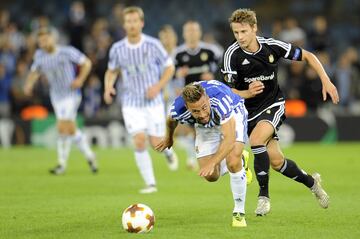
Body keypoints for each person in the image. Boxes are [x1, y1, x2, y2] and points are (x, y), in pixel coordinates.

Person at [221, 9, 339, 216]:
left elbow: (308, 56)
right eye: (236, 33)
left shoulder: (271, 46)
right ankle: (313, 183)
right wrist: (246, 92)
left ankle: (263, 197)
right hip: (247, 111)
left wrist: (326, 80)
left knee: (257, 140)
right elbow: (228, 92)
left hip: (272, 104)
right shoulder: (231, 55)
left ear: (254, 28)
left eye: (244, 31)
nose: (240, 37)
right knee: (276, 162)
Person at [103, 6, 178, 194]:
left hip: (153, 102)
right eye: (128, 21)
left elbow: (170, 68)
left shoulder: (153, 45)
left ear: (141, 23)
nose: (132, 25)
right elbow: (111, 71)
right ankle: (150, 184)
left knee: (156, 143)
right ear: (124, 24)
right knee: (138, 140)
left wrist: (158, 87)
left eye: (135, 21)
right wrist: (108, 86)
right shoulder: (117, 49)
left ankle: (168, 153)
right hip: (131, 102)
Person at [156, 80, 248, 227]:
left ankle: (239, 212)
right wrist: (169, 138)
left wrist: (213, 162)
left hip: (233, 114)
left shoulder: (221, 99)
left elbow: (229, 139)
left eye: (204, 107)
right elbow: (170, 121)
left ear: (206, 97)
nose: (203, 113)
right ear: (187, 107)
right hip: (205, 127)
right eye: (196, 111)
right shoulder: (178, 109)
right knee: (211, 176)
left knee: (232, 161)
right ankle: (241, 162)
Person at [24, 27, 97, 174]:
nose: (43, 43)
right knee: (70, 129)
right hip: (56, 96)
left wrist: (80, 79)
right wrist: (28, 85)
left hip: (71, 95)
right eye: (40, 41)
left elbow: (87, 63)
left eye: (45, 39)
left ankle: (61, 164)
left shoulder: (66, 51)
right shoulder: (39, 55)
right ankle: (90, 156)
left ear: (53, 38)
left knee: (62, 126)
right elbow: (34, 71)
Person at [171, 20, 223, 170]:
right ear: (184, 34)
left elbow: (225, 68)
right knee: (191, 130)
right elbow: (169, 73)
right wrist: (177, 75)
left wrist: (212, 74)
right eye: (189, 31)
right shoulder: (178, 54)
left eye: (194, 31)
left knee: (213, 129)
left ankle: (207, 156)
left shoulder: (212, 50)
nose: (192, 34)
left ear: (199, 33)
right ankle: (192, 158)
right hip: (188, 99)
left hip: (210, 98)